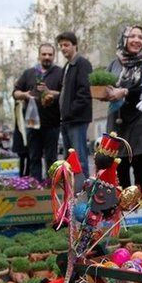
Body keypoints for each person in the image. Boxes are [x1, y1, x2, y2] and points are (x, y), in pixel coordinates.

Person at [105, 26, 142, 223]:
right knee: (121, 169)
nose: (136, 40)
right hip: (118, 123)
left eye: (140, 37)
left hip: (140, 121)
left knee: (140, 170)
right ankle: (126, 215)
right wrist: (106, 93)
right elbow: (105, 87)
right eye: (132, 36)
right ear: (123, 39)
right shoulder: (113, 64)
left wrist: (124, 92)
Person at [13, 43, 62, 181]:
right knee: (34, 158)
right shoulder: (28, 73)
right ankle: (36, 187)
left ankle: (51, 188)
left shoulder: (60, 72)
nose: (47, 57)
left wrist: (49, 92)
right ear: (39, 55)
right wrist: (25, 95)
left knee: (52, 159)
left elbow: (65, 94)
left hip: (52, 124)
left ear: (54, 56)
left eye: (50, 54)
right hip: (32, 124)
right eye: (44, 54)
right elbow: (15, 93)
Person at [56, 31, 92, 177]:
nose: (63, 48)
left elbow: (84, 92)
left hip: (77, 120)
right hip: (66, 120)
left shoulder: (82, 64)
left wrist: (69, 112)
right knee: (69, 161)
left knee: (80, 160)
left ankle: (83, 195)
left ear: (75, 45)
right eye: (61, 46)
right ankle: (71, 195)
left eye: (66, 45)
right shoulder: (66, 67)